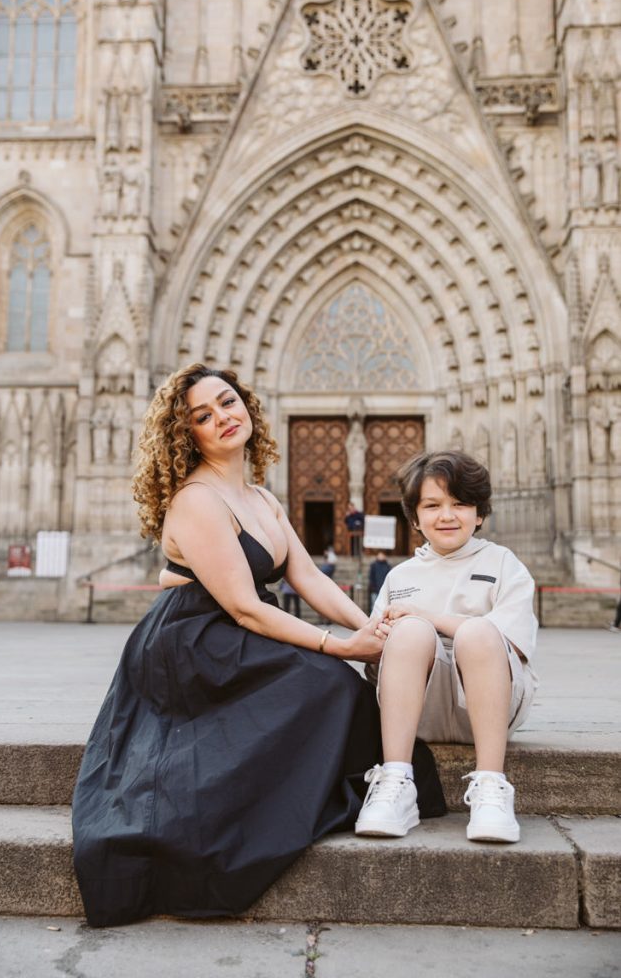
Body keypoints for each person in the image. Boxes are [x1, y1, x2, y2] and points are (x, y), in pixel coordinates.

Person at [72, 364, 446, 928]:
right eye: (203, 415)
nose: (222, 417)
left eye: (227, 402)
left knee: (330, 686)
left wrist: (374, 628)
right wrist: (342, 648)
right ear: (187, 434)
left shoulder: (260, 498)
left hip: (234, 632)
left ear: (246, 404)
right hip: (193, 642)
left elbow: (309, 579)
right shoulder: (197, 499)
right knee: (325, 683)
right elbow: (246, 605)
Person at [356, 450, 538, 845]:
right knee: (410, 632)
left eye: (460, 503)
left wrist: (427, 615)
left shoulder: (505, 564)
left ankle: (491, 786)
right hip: (419, 711)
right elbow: (378, 654)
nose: (447, 515)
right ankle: (397, 780)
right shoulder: (399, 576)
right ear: (415, 518)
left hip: (492, 706)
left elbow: (512, 644)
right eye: (433, 505)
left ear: (480, 514)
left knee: (477, 632)